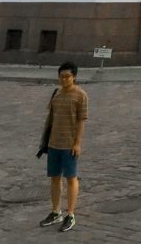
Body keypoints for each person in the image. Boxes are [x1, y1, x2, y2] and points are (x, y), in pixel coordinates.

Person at [39, 61, 88, 232]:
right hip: (54, 144)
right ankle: (55, 211)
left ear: (74, 77)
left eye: (67, 77)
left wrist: (77, 143)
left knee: (71, 178)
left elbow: (82, 120)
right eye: (61, 77)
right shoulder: (56, 94)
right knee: (54, 178)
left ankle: (71, 214)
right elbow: (51, 119)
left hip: (69, 145)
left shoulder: (81, 95)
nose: (64, 80)